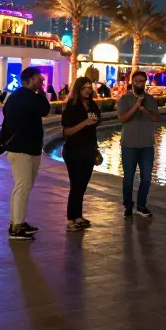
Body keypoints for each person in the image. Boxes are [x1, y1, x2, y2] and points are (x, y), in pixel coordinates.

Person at [0, 67, 51, 240]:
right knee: (23, 185)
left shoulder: (14, 97)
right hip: (22, 148)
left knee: (23, 186)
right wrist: (42, 94)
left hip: (23, 147)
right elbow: (44, 110)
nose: (42, 81)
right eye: (39, 78)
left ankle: (17, 221)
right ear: (30, 79)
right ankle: (16, 227)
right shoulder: (28, 97)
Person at [60, 77, 102, 232]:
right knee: (76, 185)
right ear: (78, 89)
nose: (88, 90)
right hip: (74, 150)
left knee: (82, 185)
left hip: (88, 150)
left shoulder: (92, 105)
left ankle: (78, 215)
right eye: (84, 87)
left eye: (89, 87)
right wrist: (84, 123)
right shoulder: (71, 107)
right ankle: (71, 218)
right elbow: (66, 131)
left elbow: (96, 124)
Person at [118, 70, 161, 218]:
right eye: (137, 81)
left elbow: (156, 118)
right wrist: (136, 105)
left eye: (142, 81)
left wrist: (145, 110)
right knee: (128, 177)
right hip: (129, 145)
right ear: (132, 82)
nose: (139, 84)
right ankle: (128, 205)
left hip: (147, 145)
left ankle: (141, 205)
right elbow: (122, 118)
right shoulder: (124, 99)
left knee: (147, 178)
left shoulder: (151, 99)